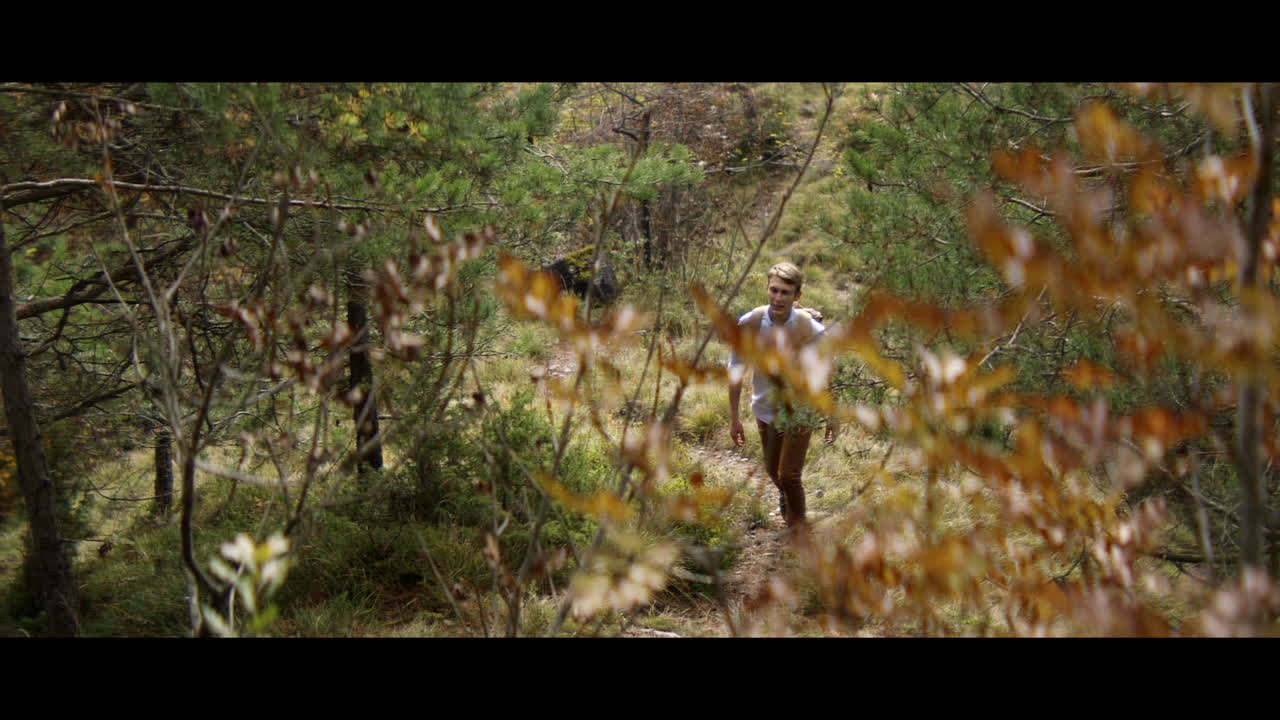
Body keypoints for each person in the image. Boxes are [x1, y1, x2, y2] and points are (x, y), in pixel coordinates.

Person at [728, 262, 836, 529]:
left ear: (797, 296)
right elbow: (735, 371)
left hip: (801, 407)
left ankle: (798, 529)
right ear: (767, 289)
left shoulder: (809, 327)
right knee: (773, 472)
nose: (778, 297)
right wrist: (734, 418)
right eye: (774, 290)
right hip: (765, 407)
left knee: (789, 474)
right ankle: (787, 501)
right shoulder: (751, 323)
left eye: (785, 292)